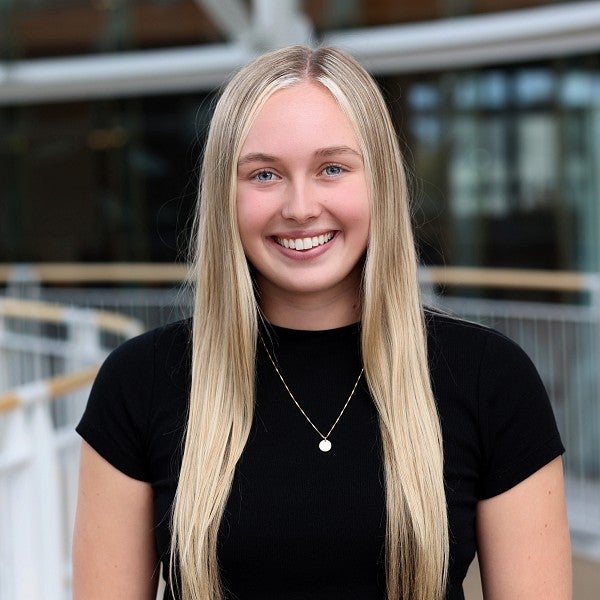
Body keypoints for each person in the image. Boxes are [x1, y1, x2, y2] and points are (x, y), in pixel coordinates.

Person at [72, 45, 571, 600]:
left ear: (378, 181)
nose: (300, 206)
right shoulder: (138, 384)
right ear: (224, 196)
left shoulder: (489, 379)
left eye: (332, 168)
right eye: (264, 175)